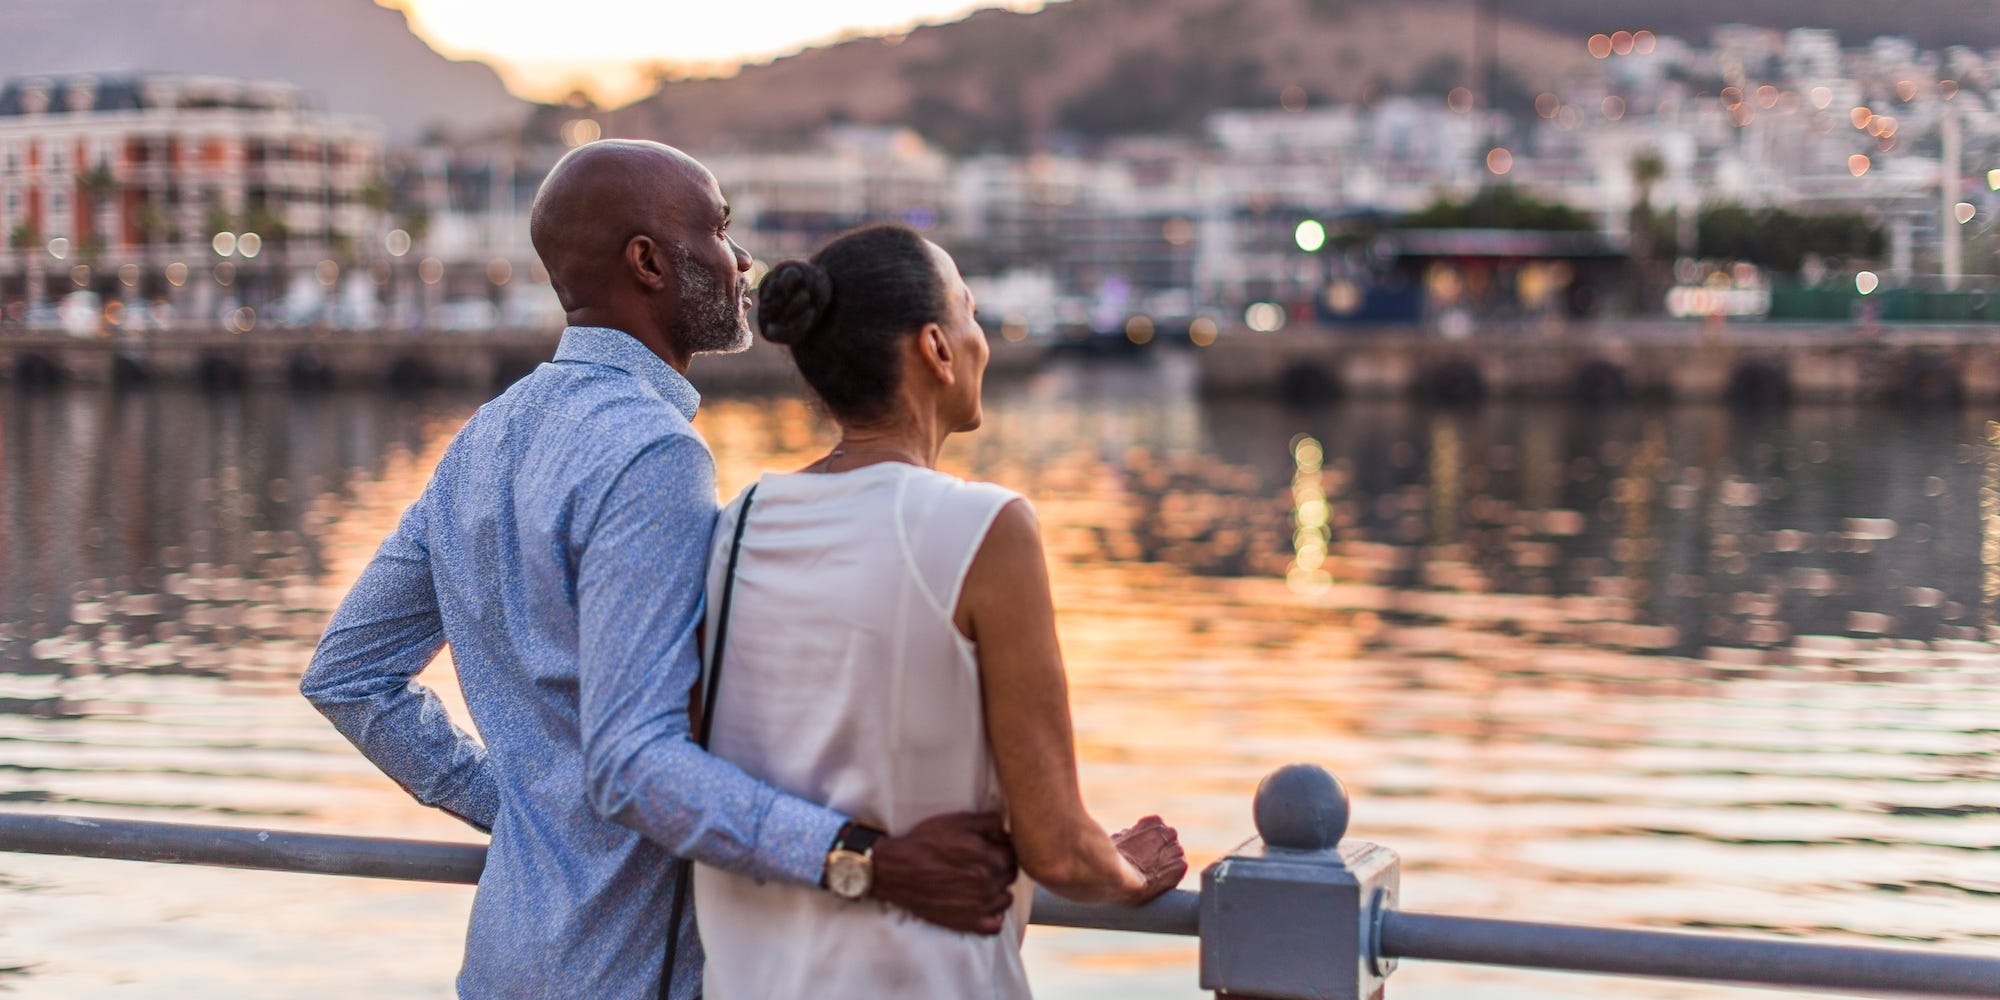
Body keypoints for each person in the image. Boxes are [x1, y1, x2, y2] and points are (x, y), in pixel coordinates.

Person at [299, 142, 1017, 999]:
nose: (741, 259)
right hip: (621, 976)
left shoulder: (488, 435)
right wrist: (863, 861)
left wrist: (528, 812)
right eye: (717, 229)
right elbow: (635, 763)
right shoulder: (652, 453)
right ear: (647, 262)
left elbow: (348, 676)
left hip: (503, 966)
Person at [693, 224, 1188, 998]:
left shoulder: (739, 521)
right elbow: (1056, 849)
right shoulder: (984, 527)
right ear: (937, 348)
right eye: (972, 314)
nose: (982, 340)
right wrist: (1126, 871)